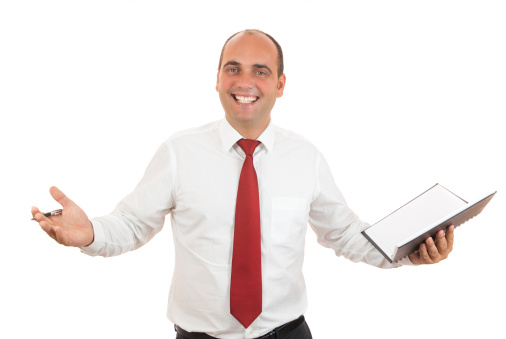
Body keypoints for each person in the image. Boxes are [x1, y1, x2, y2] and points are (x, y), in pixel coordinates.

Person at [31, 29, 454, 339]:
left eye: (261, 71)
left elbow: (344, 233)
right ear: (217, 79)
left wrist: (410, 254)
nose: (245, 81)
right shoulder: (180, 151)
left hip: (287, 334)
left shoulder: (305, 157)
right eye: (233, 69)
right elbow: (132, 223)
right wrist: (91, 234)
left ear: (280, 85)